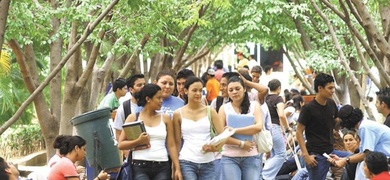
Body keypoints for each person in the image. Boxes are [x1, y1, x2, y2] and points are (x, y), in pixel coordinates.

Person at [118, 84, 182, 180]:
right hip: (140, 165)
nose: (161, 101)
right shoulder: (134, 118)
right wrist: (138, 141)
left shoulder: (165, 118)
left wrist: (177, 167)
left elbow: (171, 145)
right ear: (148, 99)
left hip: (162, 165)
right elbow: (121, 144)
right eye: (158, 98)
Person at [295, 73, 351, 180]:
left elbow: (335, 127)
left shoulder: (331, 104)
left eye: (333, 88)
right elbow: (298, 132)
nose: (332, 91)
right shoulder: (308, 108)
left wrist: (343, 118)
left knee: (354, 158)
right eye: (329, 88)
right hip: (316, 155)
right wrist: (306, 156)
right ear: (320, 88)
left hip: (331, 151)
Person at [172, 76, 224, 179]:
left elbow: (222, 136)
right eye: (194, 90)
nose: (198, 94)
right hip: (187, 161)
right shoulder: (178, 114)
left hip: (209, 162)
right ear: (186, 91)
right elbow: (177, 142)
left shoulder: (210, 111)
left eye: (200, 90)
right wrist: (175, 167)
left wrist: (214, 148)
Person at [218, 76, 264, 180]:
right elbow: (221, 135)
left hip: (251, 155)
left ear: (244, 89)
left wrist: (234, 130)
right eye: (231, 90)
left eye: (237, 89)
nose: (234, 92)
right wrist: (241, 144)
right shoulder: (224, 108)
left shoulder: (254, 105)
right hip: (229, 157)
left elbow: (258, 127)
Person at [332, 105, 390, 179]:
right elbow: (362, 153)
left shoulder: (365, 127)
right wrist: (342, 159)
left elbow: (366, 154)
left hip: (385, 159)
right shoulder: (364, 125)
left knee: (361, 165)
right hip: (380, 158)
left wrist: (345, 160)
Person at [262, 79, 289, 180]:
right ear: (279, 88)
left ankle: (269, 177)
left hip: (264, 129)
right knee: (281, 154)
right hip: (274, 127)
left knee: (273, 154)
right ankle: (264, 175)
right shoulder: (278, 99)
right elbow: (281, 115)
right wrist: (287, 127)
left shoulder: (264, 98)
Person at [113, 74, 145, 141]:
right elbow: (118, 133)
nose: (143, 87)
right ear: (131, 89)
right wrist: (126, 151)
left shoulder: (151, 104)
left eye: (144, 84)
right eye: (139, 85)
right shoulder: (124, 108)